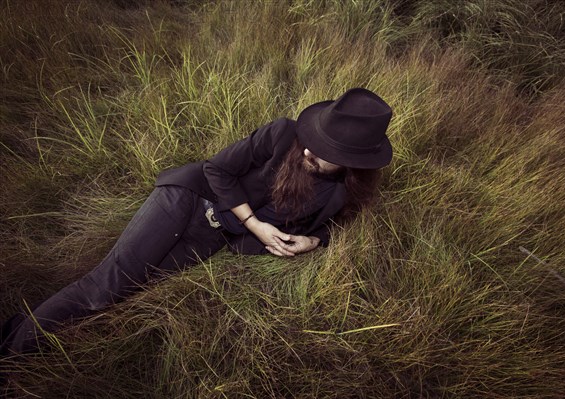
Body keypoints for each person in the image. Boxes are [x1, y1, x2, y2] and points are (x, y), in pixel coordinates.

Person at [0, 87, 393, 356]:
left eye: (324, 149)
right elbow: (216, 169)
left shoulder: (344, 193)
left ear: (353, 161)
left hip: (213, 239)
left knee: (129, 292)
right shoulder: (282, 134)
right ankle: (13, 358)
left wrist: (314, 243)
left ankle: (16, 329)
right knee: (104, 288)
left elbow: (333, 229)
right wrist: (254, 223)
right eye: (314, 137)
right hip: (188, 200)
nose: (308, 148)